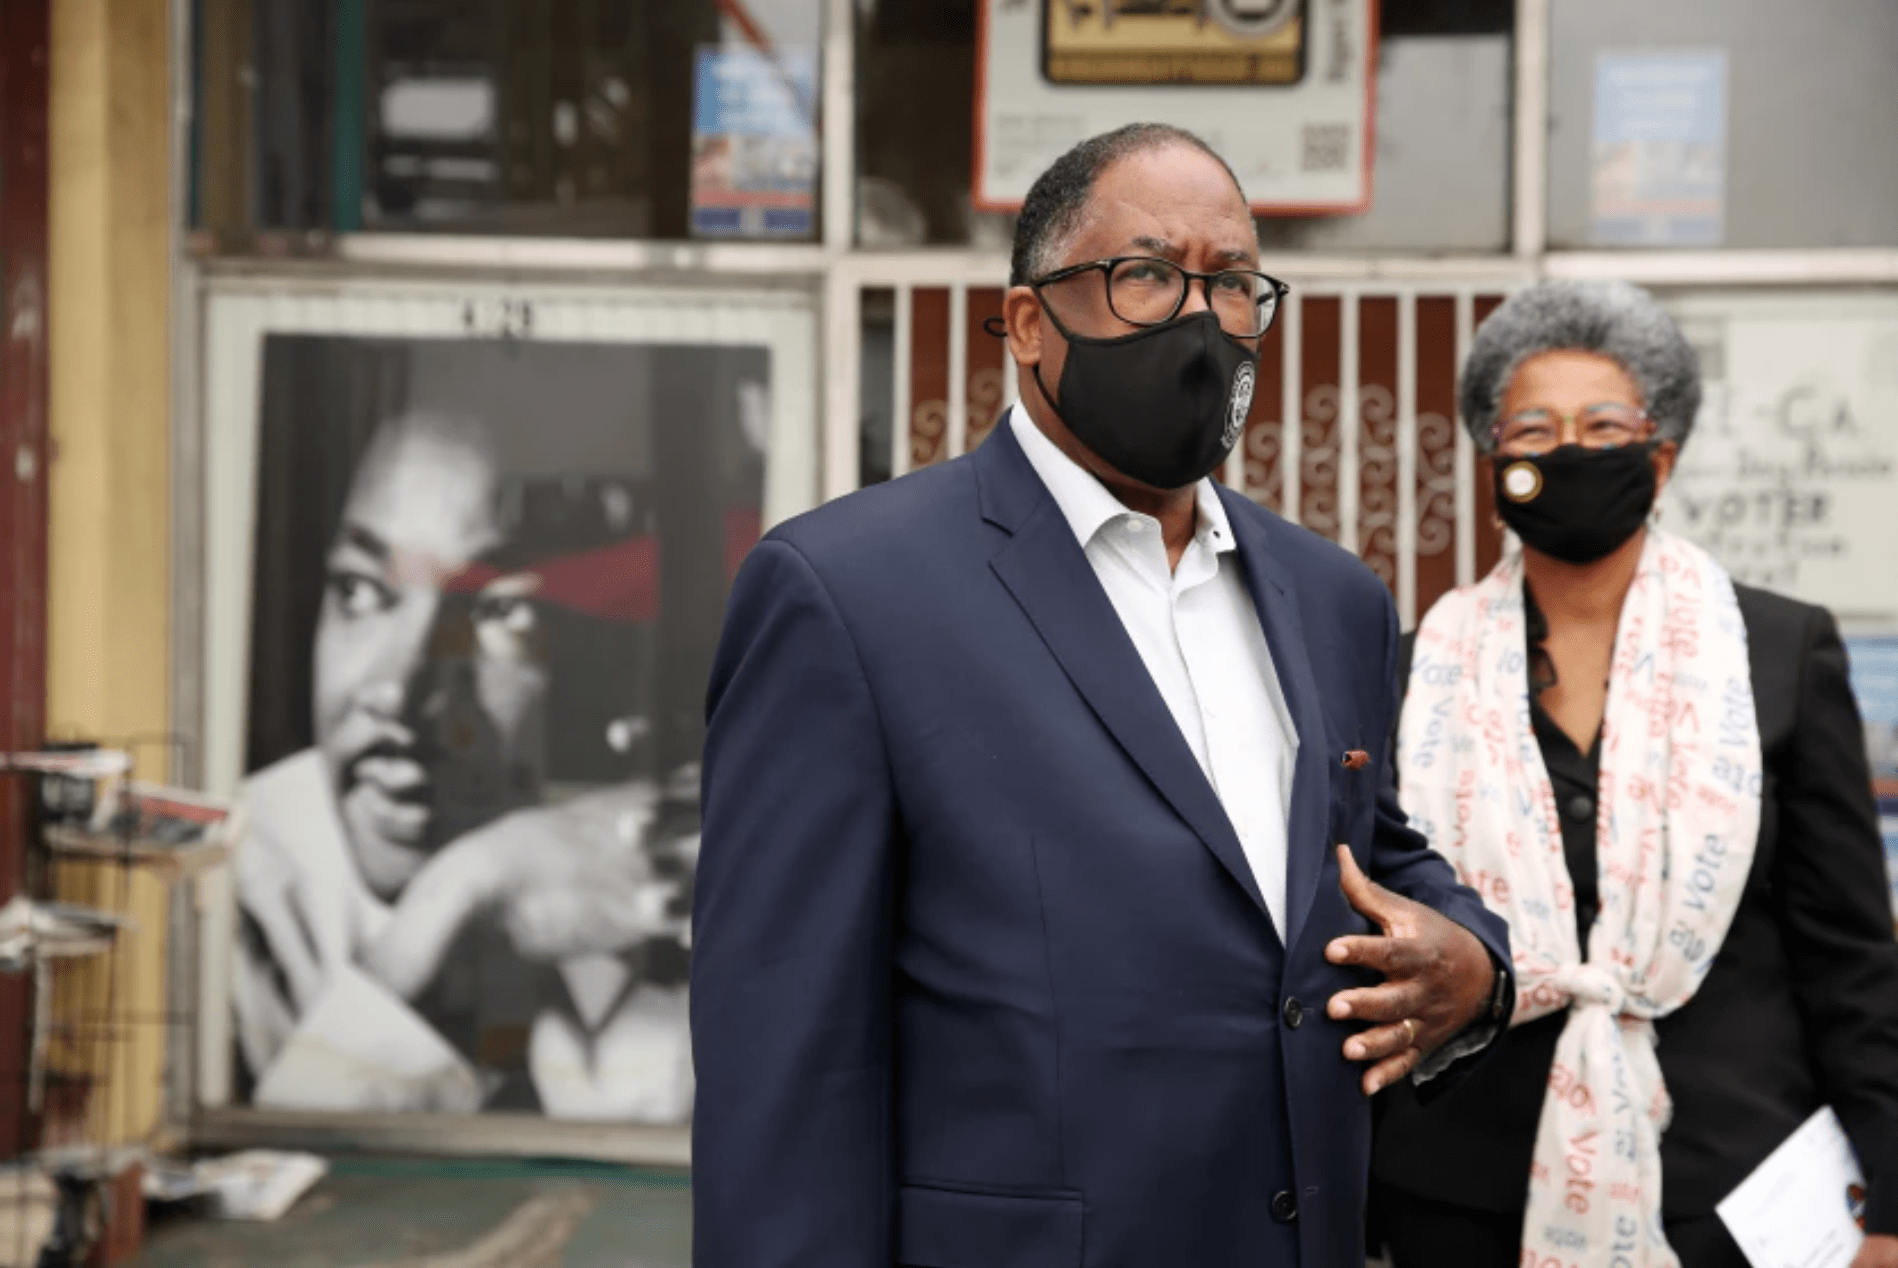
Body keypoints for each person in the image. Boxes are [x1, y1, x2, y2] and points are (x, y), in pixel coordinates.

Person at [692, 123, 1511, 1268]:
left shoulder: (1333, 598)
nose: (1198, 317)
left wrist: (1474, 960)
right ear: (1028, 322)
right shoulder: (846, 592)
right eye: (1144, 274)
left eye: (1231, 282)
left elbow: (1363, 853)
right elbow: (783, 1052)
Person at [1370, 280, 1898, 1268]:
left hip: (1732, 1185)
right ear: (1494, 458)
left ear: (1661, 453)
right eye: (1532, 425)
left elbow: (1849, 957)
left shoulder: (1777, 651)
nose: (1567, 447)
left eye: (1602, 422)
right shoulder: (1408, 672)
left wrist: (1889, 1199)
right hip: (1457, 1183)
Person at [234, 407, 697, 1121]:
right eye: (362, 592)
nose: (400, 687)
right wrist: (451, 895)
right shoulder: (226, 896)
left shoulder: (652, 886)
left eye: (492, 612)